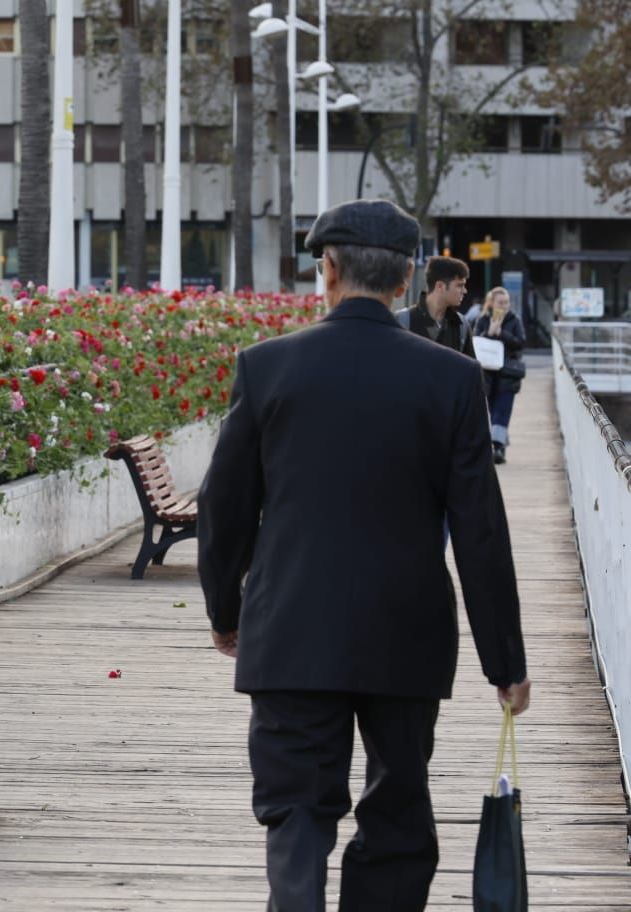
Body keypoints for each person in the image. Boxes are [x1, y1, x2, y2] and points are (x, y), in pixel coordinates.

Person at [197, 198, 530, 912]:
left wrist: (227, 610)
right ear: (407, 279)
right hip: (405, 631)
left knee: (296, 810)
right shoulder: (451, 379)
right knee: (399, 809)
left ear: (329, 269)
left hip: (289, 627)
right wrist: (505, 661)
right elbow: (480, 531)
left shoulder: (266, 368)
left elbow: (224, 508)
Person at [473, 286, 526, 464]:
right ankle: (500, 442)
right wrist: (489, 332)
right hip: (487, 373)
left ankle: (497, 447)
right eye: (500, 302)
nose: (504, 306)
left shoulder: (514, 320)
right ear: (492, 303)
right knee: (493, 411)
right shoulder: (483, 319)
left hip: (507, 373)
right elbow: (476, 342)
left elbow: (521, 342)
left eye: (506, 302)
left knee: (502, 410)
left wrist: (502, 334)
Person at [399, 255, 476, 358]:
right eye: (459, 285)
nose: (464, 291)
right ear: (440, 286)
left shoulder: (462, 326)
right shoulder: (402, 321)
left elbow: (469, 371)